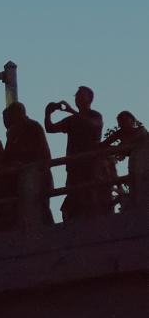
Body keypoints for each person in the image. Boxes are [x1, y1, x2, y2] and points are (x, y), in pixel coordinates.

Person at [45, 86, 106, 220]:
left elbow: (92, 125)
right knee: (74, 196)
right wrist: (48, 113)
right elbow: (50, 128)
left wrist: (70, 111)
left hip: (90, 164)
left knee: (90, 194)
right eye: (76, 95)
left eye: (80, 95)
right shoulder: (72, 120)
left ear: (89, 99)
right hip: (73, 164)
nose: (77, 97)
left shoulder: (95, 115)